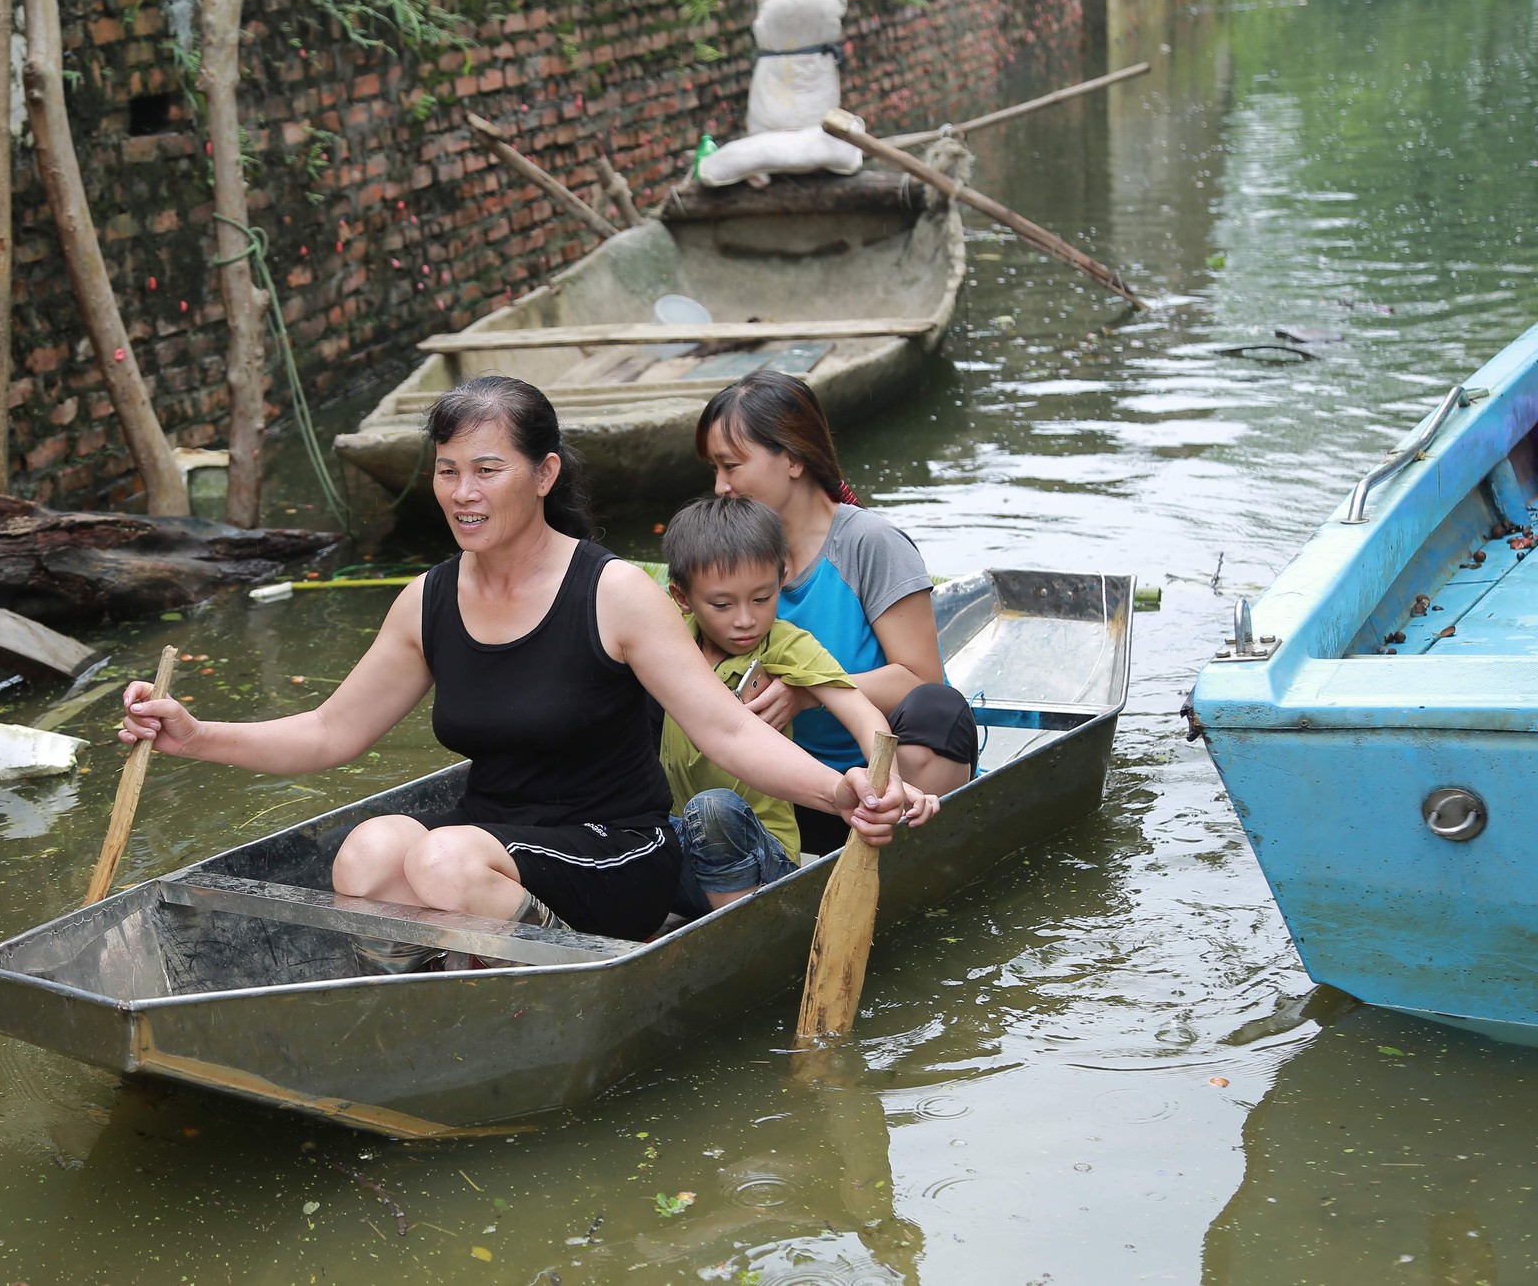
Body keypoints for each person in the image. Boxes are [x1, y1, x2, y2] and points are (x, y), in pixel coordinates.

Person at [119, 375, 922, 973]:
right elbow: (331, 730)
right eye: (446, 470)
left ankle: (578, 968)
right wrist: (196, 735)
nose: (462, 493)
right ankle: (441, 1003)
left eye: (486, 470)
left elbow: (725, 728)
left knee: (442, 860)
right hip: (492, 842)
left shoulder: (613, 592)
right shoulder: (426, 601)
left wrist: (843, 793)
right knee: (365, 854)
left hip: (613, 849)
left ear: (543, 475)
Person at [696, 370, 978, 856]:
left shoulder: (869, 543)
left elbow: (921, 678)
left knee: (939, 711)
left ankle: (903, 827)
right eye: (714, 470)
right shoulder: (727, 552)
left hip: (888, 778)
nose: (720, 486)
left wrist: (809, 692)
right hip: (794, 788)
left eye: (731, 466)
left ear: (792, 459)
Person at [659, 494, 939, 916]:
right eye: (722, 604)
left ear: (782, 576)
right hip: (681, 846)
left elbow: (863, 715)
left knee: (714, 809)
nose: (744, 620)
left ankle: (734, 935)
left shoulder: (783, 643)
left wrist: (888, 786)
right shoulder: (669, 639)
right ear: (682, 598)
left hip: (760, 852)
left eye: (761, 598)